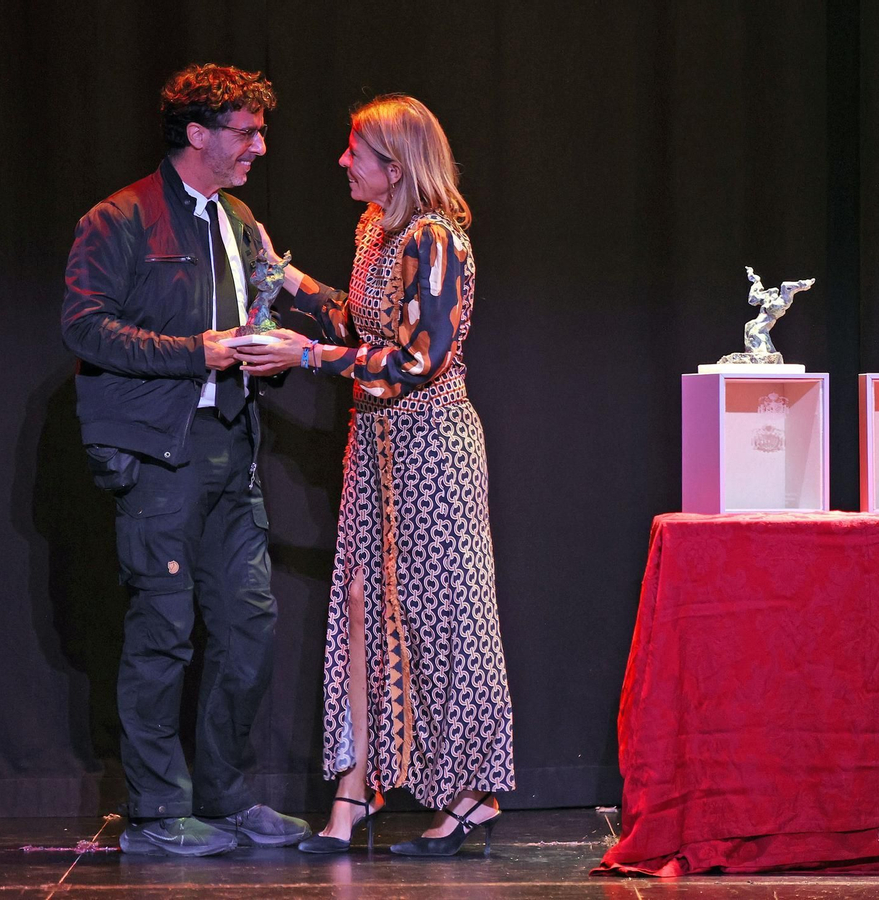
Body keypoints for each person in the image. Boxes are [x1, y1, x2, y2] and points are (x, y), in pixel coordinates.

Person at [233, 94, 515, 857]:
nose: (342, 162)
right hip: (375, 444)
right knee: (360, 606)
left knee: (443, 619)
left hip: (433, 448)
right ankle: (353, 790)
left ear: (394, 166)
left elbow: (421, 361)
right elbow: (364, 326)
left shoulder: (437, 237)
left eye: (355, 151)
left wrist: (307, 357)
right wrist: (286, 280)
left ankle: (469, 796)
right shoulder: (373, 230)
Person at [61, 63, 311, 857]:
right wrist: (193, 353)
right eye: (246, 133)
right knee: (163, 633)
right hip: (157, 455)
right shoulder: (119, 219)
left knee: (250, 628)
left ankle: (225, 797)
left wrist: (275, 344)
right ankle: (155, 813)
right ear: (197, 134)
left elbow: (264, 298)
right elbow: (85, 328)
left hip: (231, 449)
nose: (259, 148)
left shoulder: (237, 220)